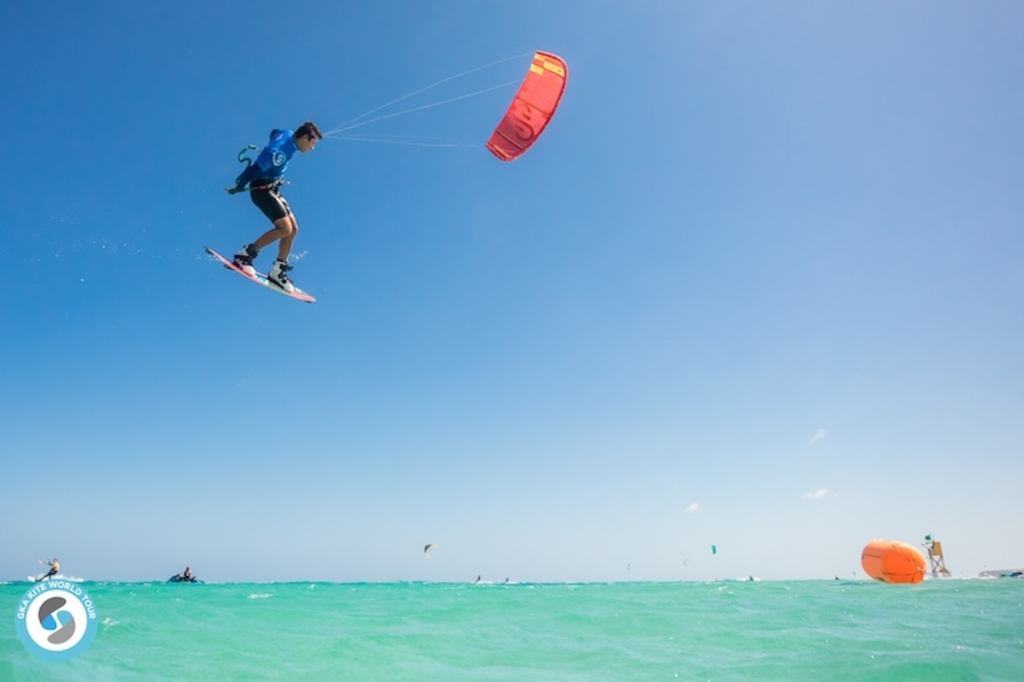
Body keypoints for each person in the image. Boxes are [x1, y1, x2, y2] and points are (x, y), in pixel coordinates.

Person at [227, 121, 323, 293]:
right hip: (261, 190)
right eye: (312, 143)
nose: (312, 148)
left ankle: (278, 271)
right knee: (285, 228)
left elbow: (274, 132)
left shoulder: (287, 134)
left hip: (272, 188)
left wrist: (271, 142)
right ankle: (245, 256)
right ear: (304, 137)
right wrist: (239, 184)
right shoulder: (277, 153)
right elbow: (254, 170)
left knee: (293, 228)